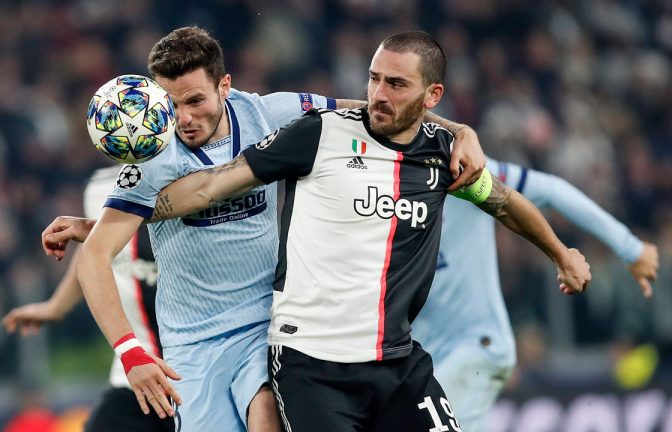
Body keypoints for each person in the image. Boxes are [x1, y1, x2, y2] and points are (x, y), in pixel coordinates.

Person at [55, 30, 591, 431]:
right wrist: (131, 350)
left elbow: (369, 113)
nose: (184, 117)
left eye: (196, 101)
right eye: (171, 105)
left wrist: (459, 129)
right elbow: (105, 252)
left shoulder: (274, 114)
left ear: (225, 86)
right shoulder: (149, 158)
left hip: (267, 322)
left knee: (266, 414)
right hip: (192, 340)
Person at [412, 157, 659, 431]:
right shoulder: (378, 190)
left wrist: (630, 248)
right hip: (419, 360)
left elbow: (551, 190)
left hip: (474, 346)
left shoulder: (460, 168)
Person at [3, 166, 175, 432]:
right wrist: (56, 306)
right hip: (133, 373)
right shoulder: (98, 186)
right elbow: (94, 252)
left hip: (192, 370)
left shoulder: (185, 173)